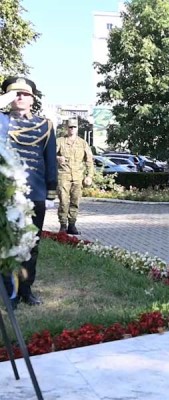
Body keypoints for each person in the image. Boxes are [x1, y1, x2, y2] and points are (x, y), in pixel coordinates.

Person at [0, 77, 58, 309]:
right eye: (15, 93)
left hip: (35, 193)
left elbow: (50, 161)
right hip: (6, 196)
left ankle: (26, 289)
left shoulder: (45, 125)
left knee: (31, 246)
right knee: (7, 245)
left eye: (24, 94)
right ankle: (9, 293)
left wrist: (50, 192)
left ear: (32, 98)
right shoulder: (2, 121)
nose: (20, 97)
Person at [56, 118, 94, 234]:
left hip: (77, 177)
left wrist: (89, 176)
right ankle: (63, 225)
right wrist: (57, 158)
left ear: (77, 128)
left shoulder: (82, 143)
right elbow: (49, 154)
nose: (72, 129)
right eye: (70, 127)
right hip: (63, 176)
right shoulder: (60, 141)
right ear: (66, 128)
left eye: (74, 127)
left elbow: (89, 161)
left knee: (75, 201)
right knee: (63, 202)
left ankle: (72, 224)